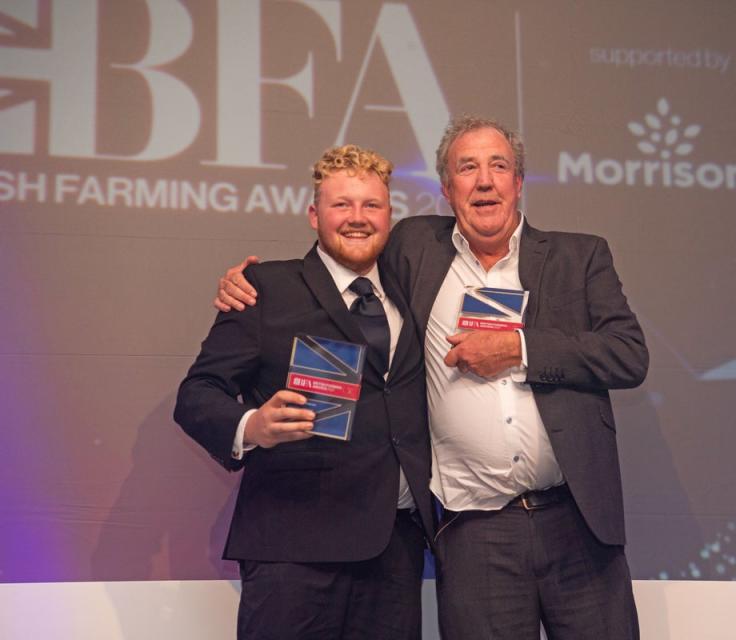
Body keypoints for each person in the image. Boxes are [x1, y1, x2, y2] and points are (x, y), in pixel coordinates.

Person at [216, 117, 649, 639]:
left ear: (518, 181)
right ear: (446, 190)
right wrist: (245, 283)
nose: (484, 180)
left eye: (498, 166)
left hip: (575, 520)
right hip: (474, 530)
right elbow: (344, 254)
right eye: (467, 168)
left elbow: (628, 354)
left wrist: (520, 347)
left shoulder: (579, 257)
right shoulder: (415, 250)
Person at [175, 144, 434, 640]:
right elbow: (197, 393)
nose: (357, 218)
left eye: (371, 205)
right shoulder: (264, 288)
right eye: (341, 205)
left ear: (390, 216)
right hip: (293, 550)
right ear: (314, 215)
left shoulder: (414, 294)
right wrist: (253, 426)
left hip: (395, 551)